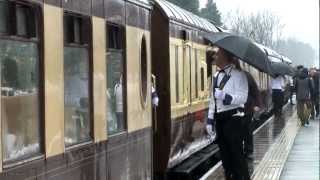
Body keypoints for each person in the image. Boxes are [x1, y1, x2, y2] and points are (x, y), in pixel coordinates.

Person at [206, 47, 250, 180]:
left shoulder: (239, 75)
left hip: (233, 118)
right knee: (225, 157)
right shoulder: (217, 76)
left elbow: (243, 97)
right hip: (220, 119)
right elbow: (213, 100)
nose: (215, 57)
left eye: (217, 54)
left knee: (236, 155)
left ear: (225, 56)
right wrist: (209, 119)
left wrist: (226, 96)